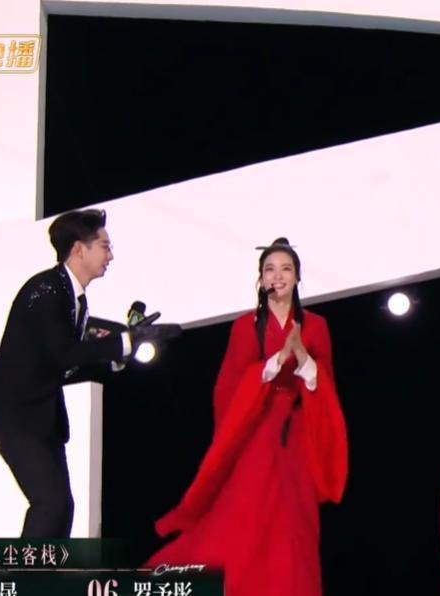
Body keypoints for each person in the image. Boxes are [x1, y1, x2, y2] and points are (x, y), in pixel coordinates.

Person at [0, 209, 181, 537]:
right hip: (12, 410)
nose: (110, 255)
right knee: (50, 503)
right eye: (105, 246)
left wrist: (123, 345)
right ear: (79, 249)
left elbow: (75, 353)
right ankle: (30, 570)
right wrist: (124, 342)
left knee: (61, 506)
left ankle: (49, 567)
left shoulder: (71, 296)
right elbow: (63, 353)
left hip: (39, 413)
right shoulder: (47, 289)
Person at [149, 237, 348, 596]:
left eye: (286, 269)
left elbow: (326, 386)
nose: (278, 276)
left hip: (296, 437)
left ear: (297, 277)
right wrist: (274, 362)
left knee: (296, 524)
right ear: (261, 278)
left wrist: (303, 357)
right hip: (256, 433)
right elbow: (228, 388)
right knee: (244, 520)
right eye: (270, 269)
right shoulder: (245, 326)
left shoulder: (316, 325)